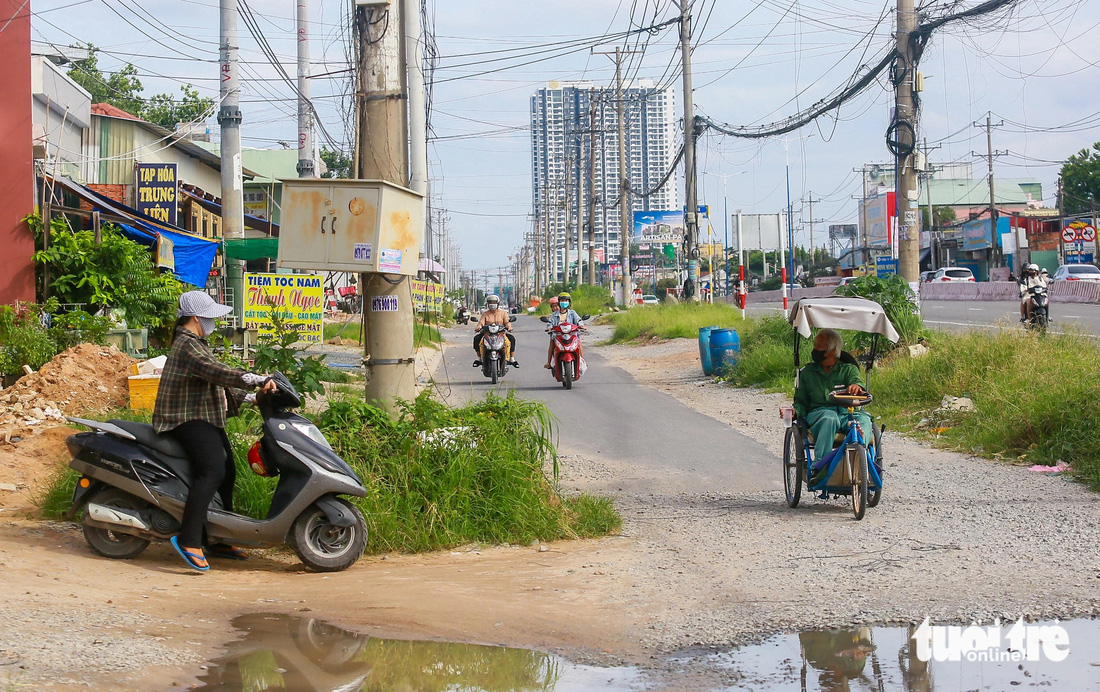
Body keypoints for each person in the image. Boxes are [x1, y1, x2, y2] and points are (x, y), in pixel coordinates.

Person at [153, 291, 276, 572]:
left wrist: (251, 398)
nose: (214, 322)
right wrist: (255, 379)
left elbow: (212, 383)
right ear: (197, 318)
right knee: (211, 472)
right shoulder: (187, 345)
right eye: (210, 317)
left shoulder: (196, 342)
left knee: (228, 471)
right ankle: (189, 539)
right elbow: (216, 371)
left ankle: (219, 537)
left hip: (203, 415)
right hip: (183, 418)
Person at [792, 329, 870, 466]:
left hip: (847, 413)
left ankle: (860, 456)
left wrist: (856, 386)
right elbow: (801, 401)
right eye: (814, 347)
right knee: (830, 418)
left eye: (819, 348)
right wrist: (794, 412)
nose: (815, 351)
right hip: (819, 414)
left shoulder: (848, 369)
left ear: (832, 351)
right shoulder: (808, 372)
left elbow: (856, 381)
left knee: (863, 420)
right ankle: (821, 465)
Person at [473, 294, 517, 367]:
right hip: (487, 334)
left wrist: (509, 327)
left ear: (498, 303)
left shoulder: (503, 313)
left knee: (511, 340)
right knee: (477, 339)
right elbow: (481, 323)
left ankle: (512, 358)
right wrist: (478, 327)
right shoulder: (485, 314)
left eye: (494, 302)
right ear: (487, 304)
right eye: (490, 302)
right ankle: (479, 358)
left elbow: (507, 322)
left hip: (501, 334)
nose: (492, 304)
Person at [544, 292, 586, 369]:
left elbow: (578, 320)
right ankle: (549, 362)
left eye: (566, 301)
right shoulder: (554, 314)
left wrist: (581, 325)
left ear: (569, 302)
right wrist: (549, 327)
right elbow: (550, 322)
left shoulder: (572, 313)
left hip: (571, 334)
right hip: (558, 335)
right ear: (559, 302)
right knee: (552, 343)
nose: (564, 302)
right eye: (562, 300)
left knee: (578, 342)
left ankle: (582, 360)